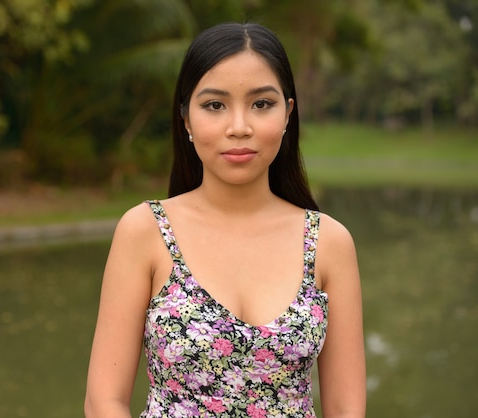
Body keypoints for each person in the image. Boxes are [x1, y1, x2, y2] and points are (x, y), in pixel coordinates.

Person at [85, 22, 365, 417]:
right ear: (185, 119)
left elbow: (345, 408)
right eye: (215, 105)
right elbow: (104, 401)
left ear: (287, 114)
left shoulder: (328, 242)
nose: (239, 128)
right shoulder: (145, 231)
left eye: (261, 104)